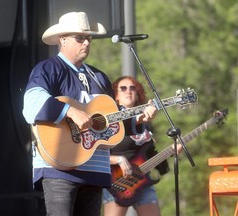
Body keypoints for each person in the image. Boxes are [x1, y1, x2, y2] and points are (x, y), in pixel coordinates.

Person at [22, 12, 157, 216]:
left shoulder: (99, 77)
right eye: (80, 38)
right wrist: (70, 111)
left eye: (88, 38)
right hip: (60, 167)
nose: (86, 42)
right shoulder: (48, 69)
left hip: (94, 169)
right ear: (62, 40)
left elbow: (111, 120)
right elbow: (31, 104)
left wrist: (137, 119)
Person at [103, 76, 169, 216]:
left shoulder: (147, 121)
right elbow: (95, 154)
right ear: (116, 96)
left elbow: (149, 154)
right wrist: (118, 159)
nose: (129, 91)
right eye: (123, 88)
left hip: (143, 182)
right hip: (116, 182)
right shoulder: (111, 122)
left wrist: (173, 150)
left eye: (133, 88)